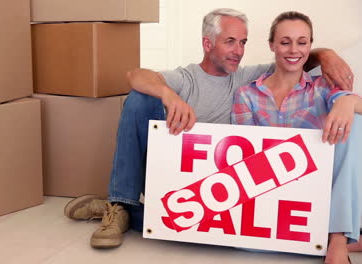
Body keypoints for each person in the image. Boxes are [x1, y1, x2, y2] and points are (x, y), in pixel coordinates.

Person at [63, 8, 354, 249]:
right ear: (207, 44)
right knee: (140, 98)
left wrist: (325, 53)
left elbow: (292, 57)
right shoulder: (186, 78)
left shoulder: (248, 77)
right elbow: (135, 75)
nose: (238, 51)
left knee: (226, 228)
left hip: (220, 187)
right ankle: (121, 203)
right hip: (179, 179)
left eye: (242, 42)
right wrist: (169, 95)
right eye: (230, 42)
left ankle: (125, 211)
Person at [231, 11, 362, 264]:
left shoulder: (322, 87)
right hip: (271, 188)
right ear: (272, 45)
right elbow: (245, 158)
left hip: (322, 188)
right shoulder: (247, 95)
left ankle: (336, 240)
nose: (294, 50)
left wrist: (346, 100)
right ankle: (347, 237)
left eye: (302, 42)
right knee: (245, 243)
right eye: (285, 42)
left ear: (310, 46)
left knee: (355, 121)